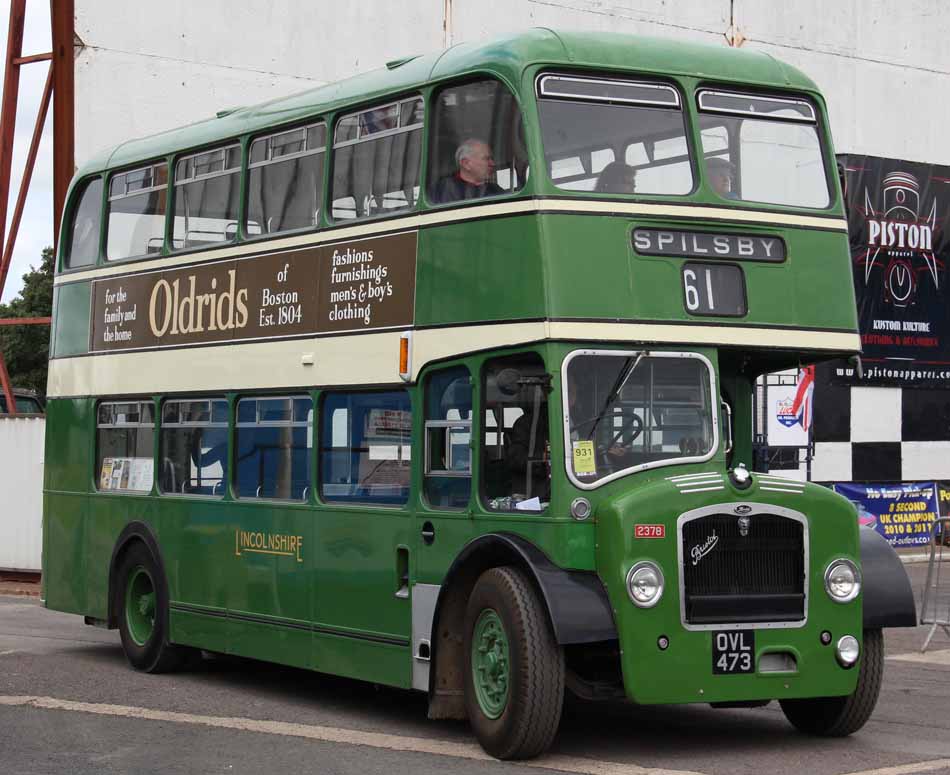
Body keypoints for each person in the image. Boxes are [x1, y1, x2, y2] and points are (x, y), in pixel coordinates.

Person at [429, 138, 504, 204]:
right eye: (486, 159)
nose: (492, 164)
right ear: (466, 164)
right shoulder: (443, 190)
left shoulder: (495, 189)